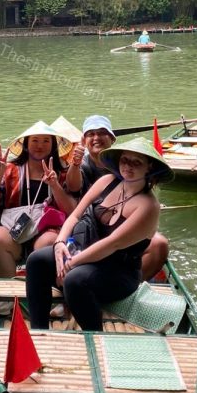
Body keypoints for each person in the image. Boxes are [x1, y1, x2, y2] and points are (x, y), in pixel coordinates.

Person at [26, 137, 173, 332]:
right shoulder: (107, 181)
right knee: (36, 260)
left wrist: (71, 263)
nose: (128, 166)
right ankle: (39, 329)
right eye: (124, 160)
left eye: (136, 162)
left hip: (118, 272)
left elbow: (113, 243)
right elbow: (76, 214)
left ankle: (95, 334)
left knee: (75, 279)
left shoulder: (148, 206)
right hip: (86, 255)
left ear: (149, 168)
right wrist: (60, 243)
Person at [65, 115, 169, 281]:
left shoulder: (125, 169)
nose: (96, 138)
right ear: (84, 141)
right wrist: (75, 164)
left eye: (101, 133)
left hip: (118, 221)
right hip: (90, 222)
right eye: (91, 134)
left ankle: (134, 284)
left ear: (112, 139)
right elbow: (73, 188)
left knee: (160, 244)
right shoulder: (83, 164)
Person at [0, 122, 76, 280]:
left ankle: (40, 287)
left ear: (53, 146)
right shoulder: (10, 169)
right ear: (26, 145)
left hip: (46, 231)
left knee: (51, 242)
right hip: (11, 228)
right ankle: (13, 292)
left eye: (46, 141)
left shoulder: (62, 172)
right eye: (35, 141)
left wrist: (54, 184)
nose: (40, 146)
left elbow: (72, 211)